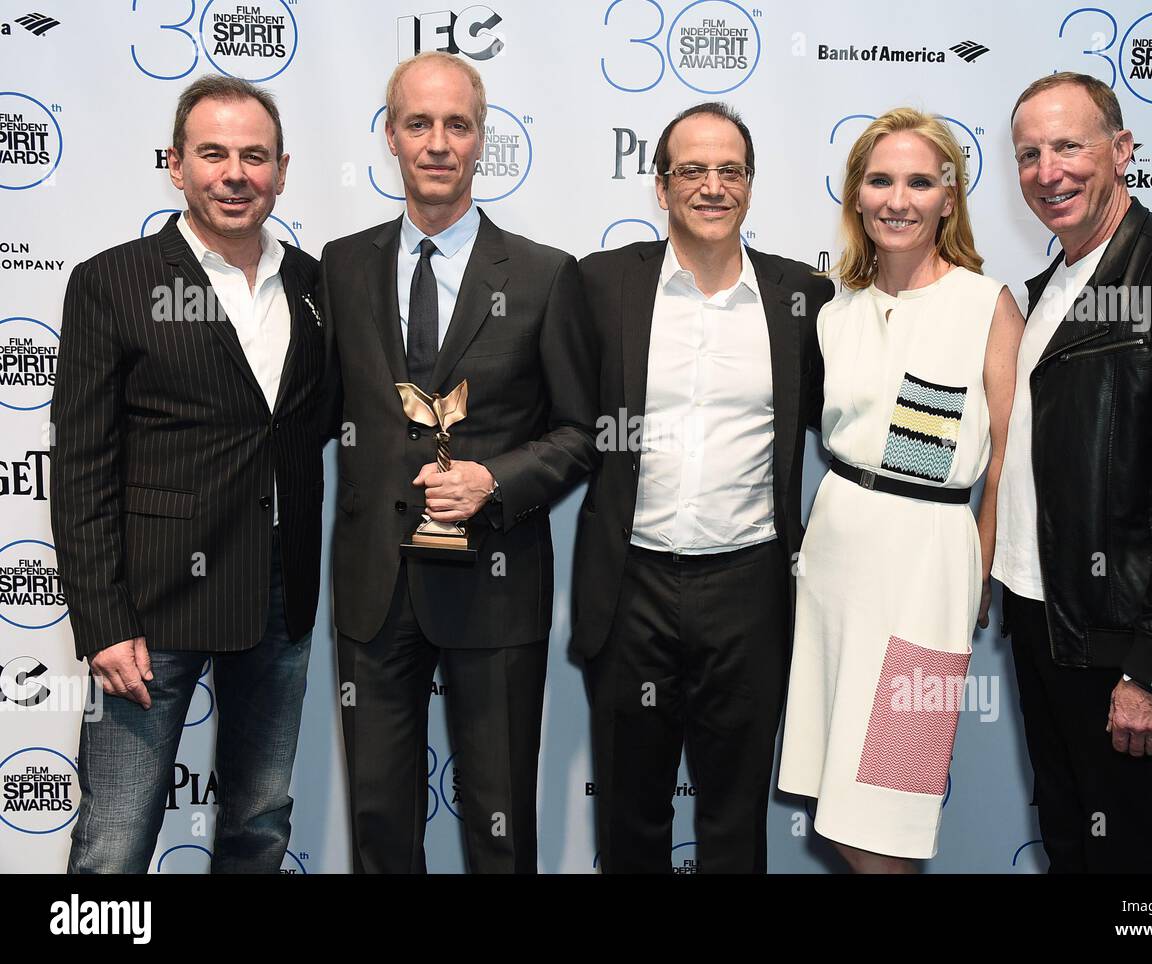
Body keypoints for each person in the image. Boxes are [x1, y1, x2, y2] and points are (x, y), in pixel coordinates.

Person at [319, 51, 597, 874]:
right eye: (419, 124)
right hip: (374, 590)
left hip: (497, 586)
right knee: (379, 824)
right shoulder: (340, 266)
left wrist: (494, 481)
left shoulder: (547, 275)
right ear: (392, 140)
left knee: (500, 825)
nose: (438, 142)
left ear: (481, 141)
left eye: (457, 125)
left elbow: (584, 431)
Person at [52, 76, 325, 873]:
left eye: (254, 155)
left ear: (281, 168)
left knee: (259, 825)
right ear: (176, 165)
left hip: (280, 596)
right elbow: (80, 467)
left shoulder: (315, 286)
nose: (234, 173)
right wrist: (102, 620)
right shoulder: (113, 281)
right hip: (151, 606)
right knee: (113, 840)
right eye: (213, 153)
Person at [997, 72, 1152, 873]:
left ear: (1122, 149)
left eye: (1069, 145)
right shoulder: (1046, 291)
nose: (1048, 171)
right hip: (1040, 619)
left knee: (1128, 860)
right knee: (1073, 844)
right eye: (1030, 153)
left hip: (1115, 638)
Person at [573, 102, 835, 873]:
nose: (712, 186)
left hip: (750, 588)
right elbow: (554, 420)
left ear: (751, 186)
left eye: (730, 171)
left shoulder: (802, 298)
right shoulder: (600, 285)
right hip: (630, 584)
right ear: (660, 187)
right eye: (692, 170)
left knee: (733, 819)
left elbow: (850, 428)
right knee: (629, 817)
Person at [778, 108, 1023, 873]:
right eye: (880, 180)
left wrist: (982, 568)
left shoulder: (986, 305)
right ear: (855, 195)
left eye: (921, 182)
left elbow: (1012, 460)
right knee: (837, 802)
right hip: (836, 560)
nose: (899, 198)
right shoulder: (833, 312)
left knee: (893, 793)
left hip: (929, 567)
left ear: (950, 198)